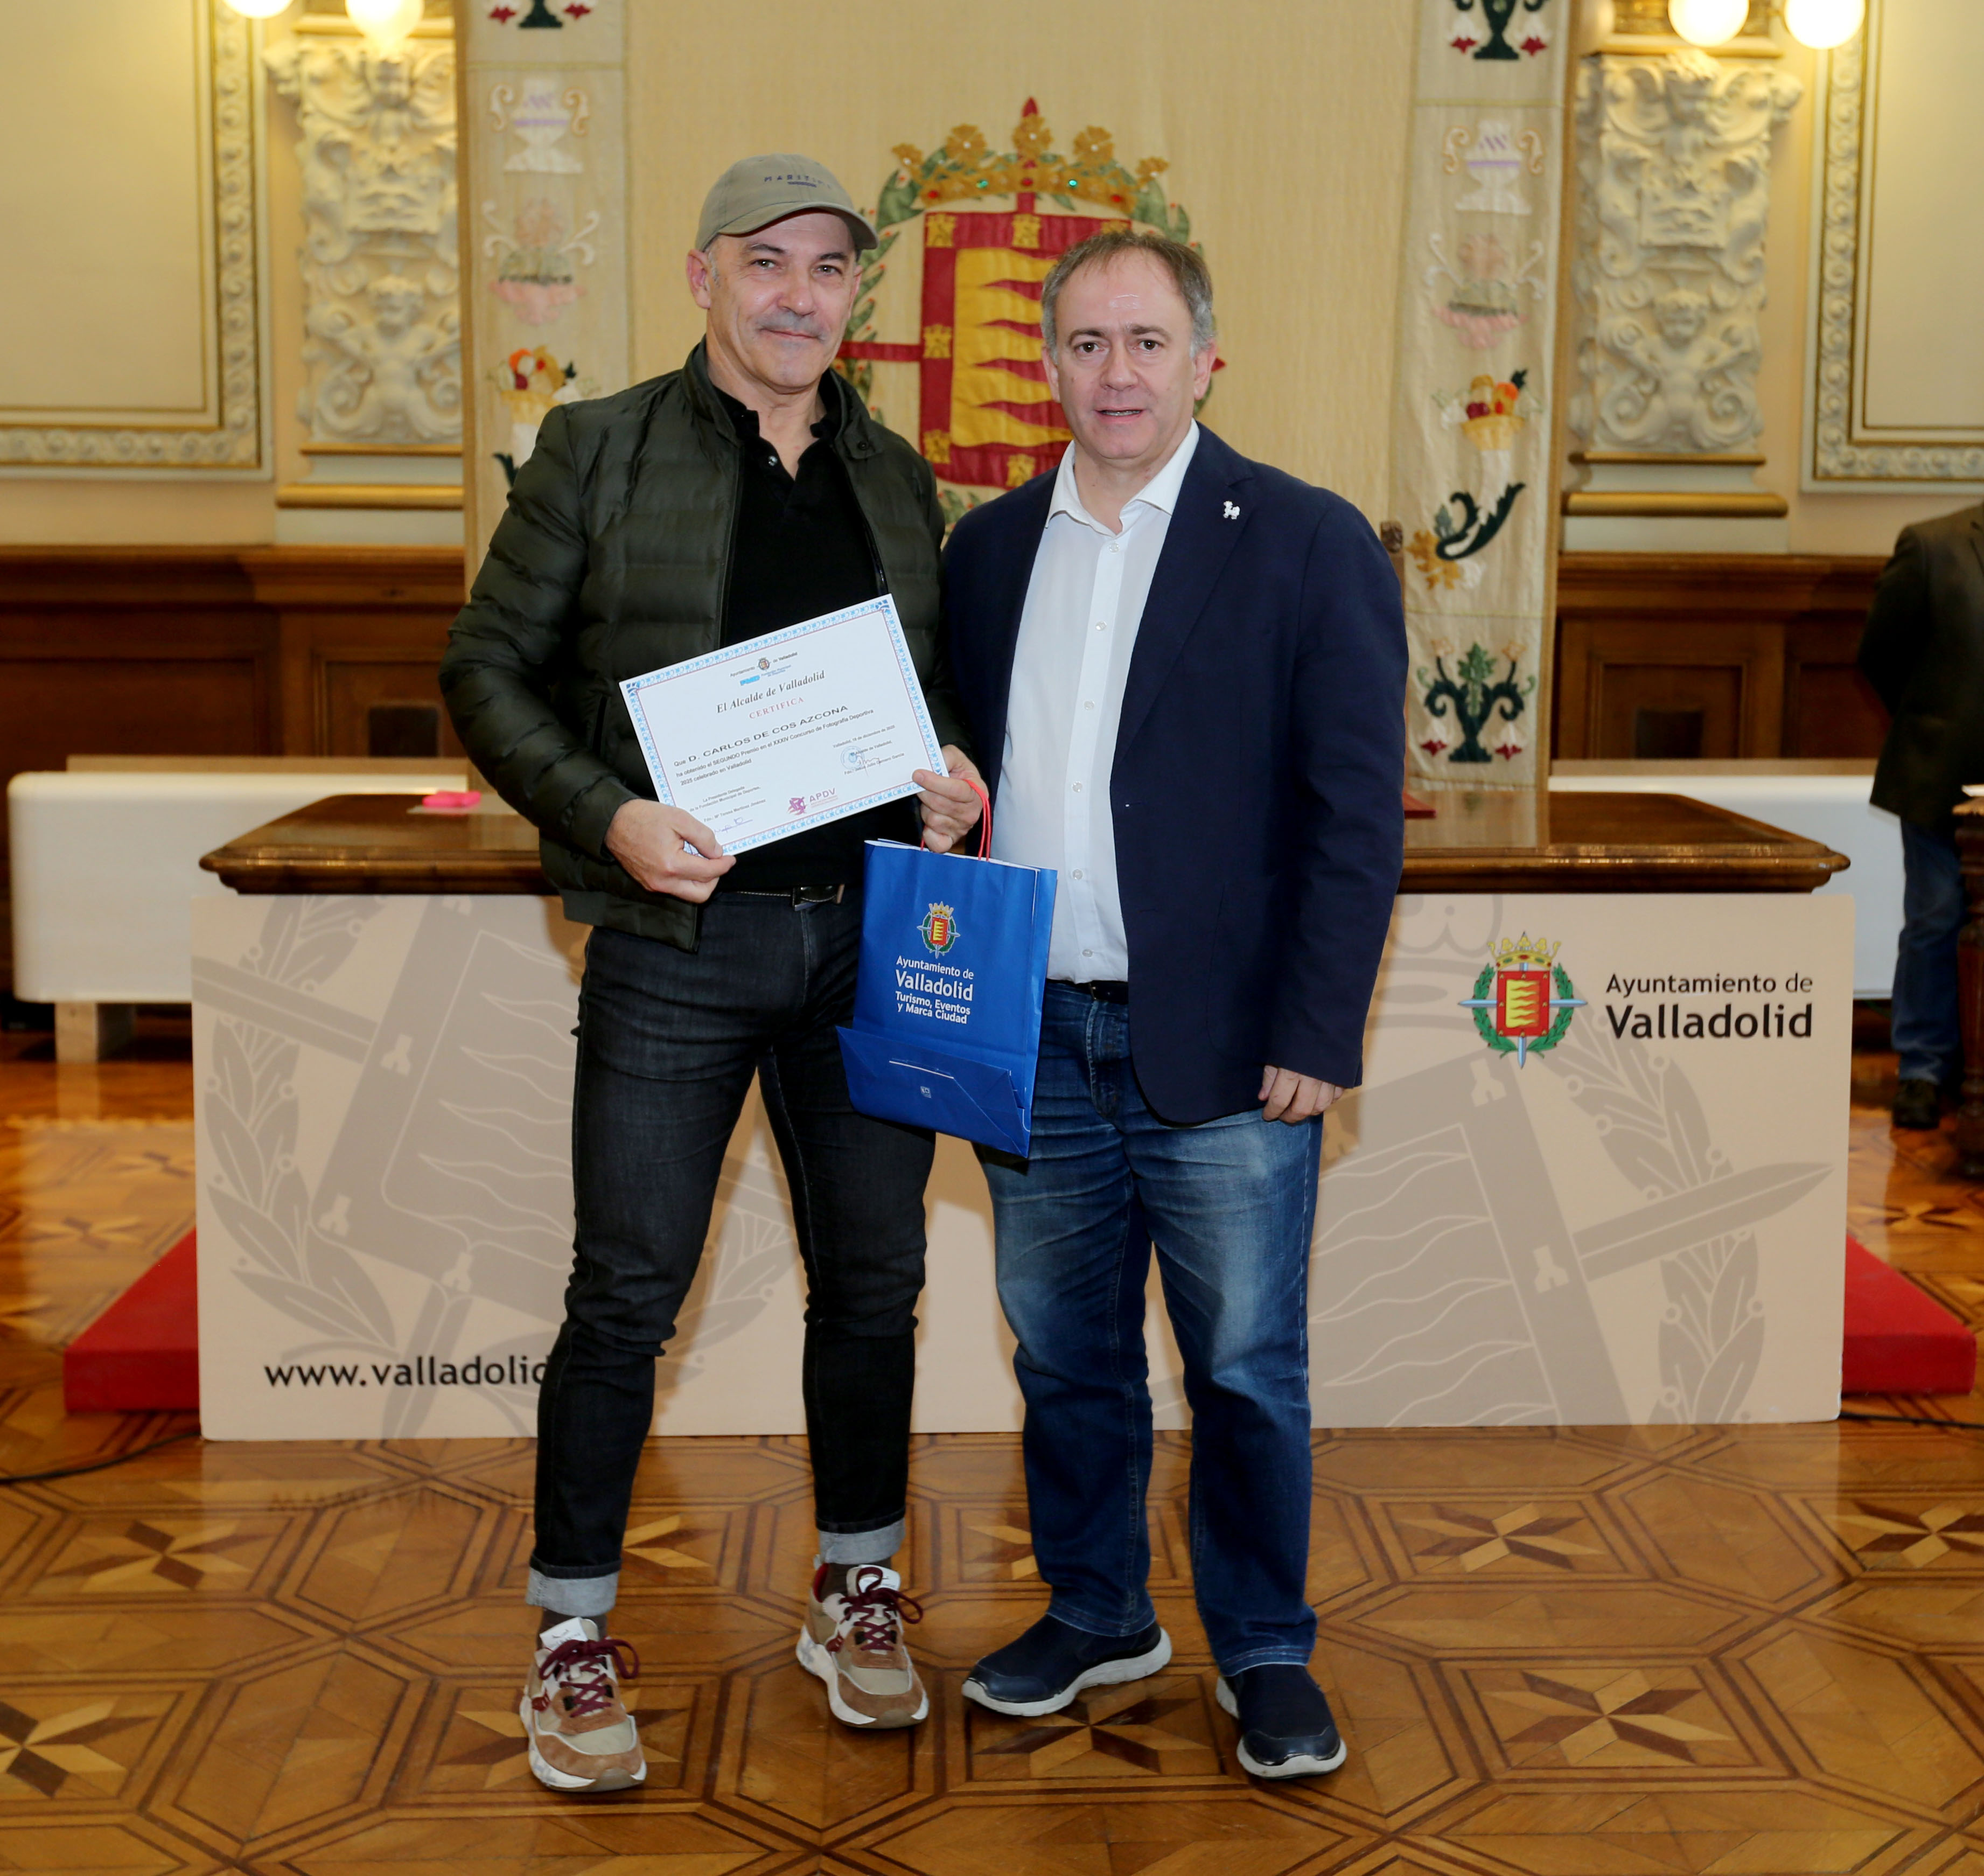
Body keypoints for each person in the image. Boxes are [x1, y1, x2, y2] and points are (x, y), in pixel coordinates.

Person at [441, 154, 983, 1793]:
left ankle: (857, 1588)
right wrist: (606, 818)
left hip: (867, 945)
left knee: (875, 1284)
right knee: (624, 1295)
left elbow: (927, 698)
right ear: (702, 277)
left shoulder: (900, 480)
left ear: (852, 300)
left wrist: (952, 775)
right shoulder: (595, 450)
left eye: (831, 269)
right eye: (769, 262)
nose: (800, 295)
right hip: (678, 951)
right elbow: (484, 668)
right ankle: (570, 1632)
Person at [941, 229, 1405, 1780]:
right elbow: (958, 774)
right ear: (1048, 366)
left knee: (1243, 1370)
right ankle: (1095, 1609)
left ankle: (1265, 1648)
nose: (1114, 373)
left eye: (1144, 342)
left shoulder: (1304, 540)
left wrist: (1316, 1029)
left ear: (1206, 357)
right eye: (1083, 344)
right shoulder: (988, 552)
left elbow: (1354, 815)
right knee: (1064, 1356)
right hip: (1036, 1034)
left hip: (1222, 1045)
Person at [1858, 501, 1984, 1131]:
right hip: (1943, 774)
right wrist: (1936, 725)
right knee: (1936, 917)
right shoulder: (1934, 545)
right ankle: (1924, 1071)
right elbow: (1881, 653)